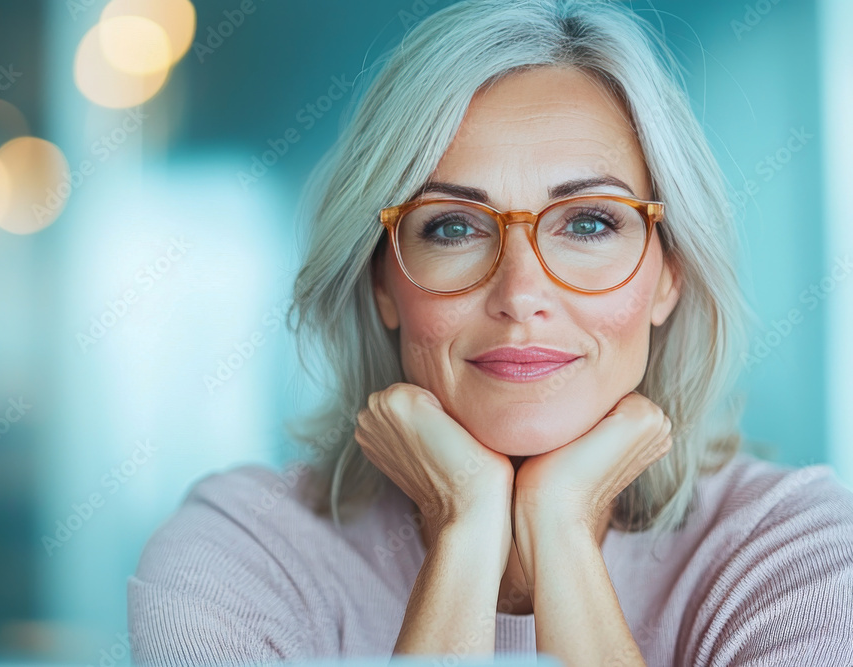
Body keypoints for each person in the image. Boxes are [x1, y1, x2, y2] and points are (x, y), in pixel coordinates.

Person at [128, 1, 853, 665]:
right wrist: (464, 527)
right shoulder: (243, 552)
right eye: (452, 227)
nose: (521, 293)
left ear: (670, 275)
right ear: (382, 281)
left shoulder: (793, 554)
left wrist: (560, 531)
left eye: (589, 222)